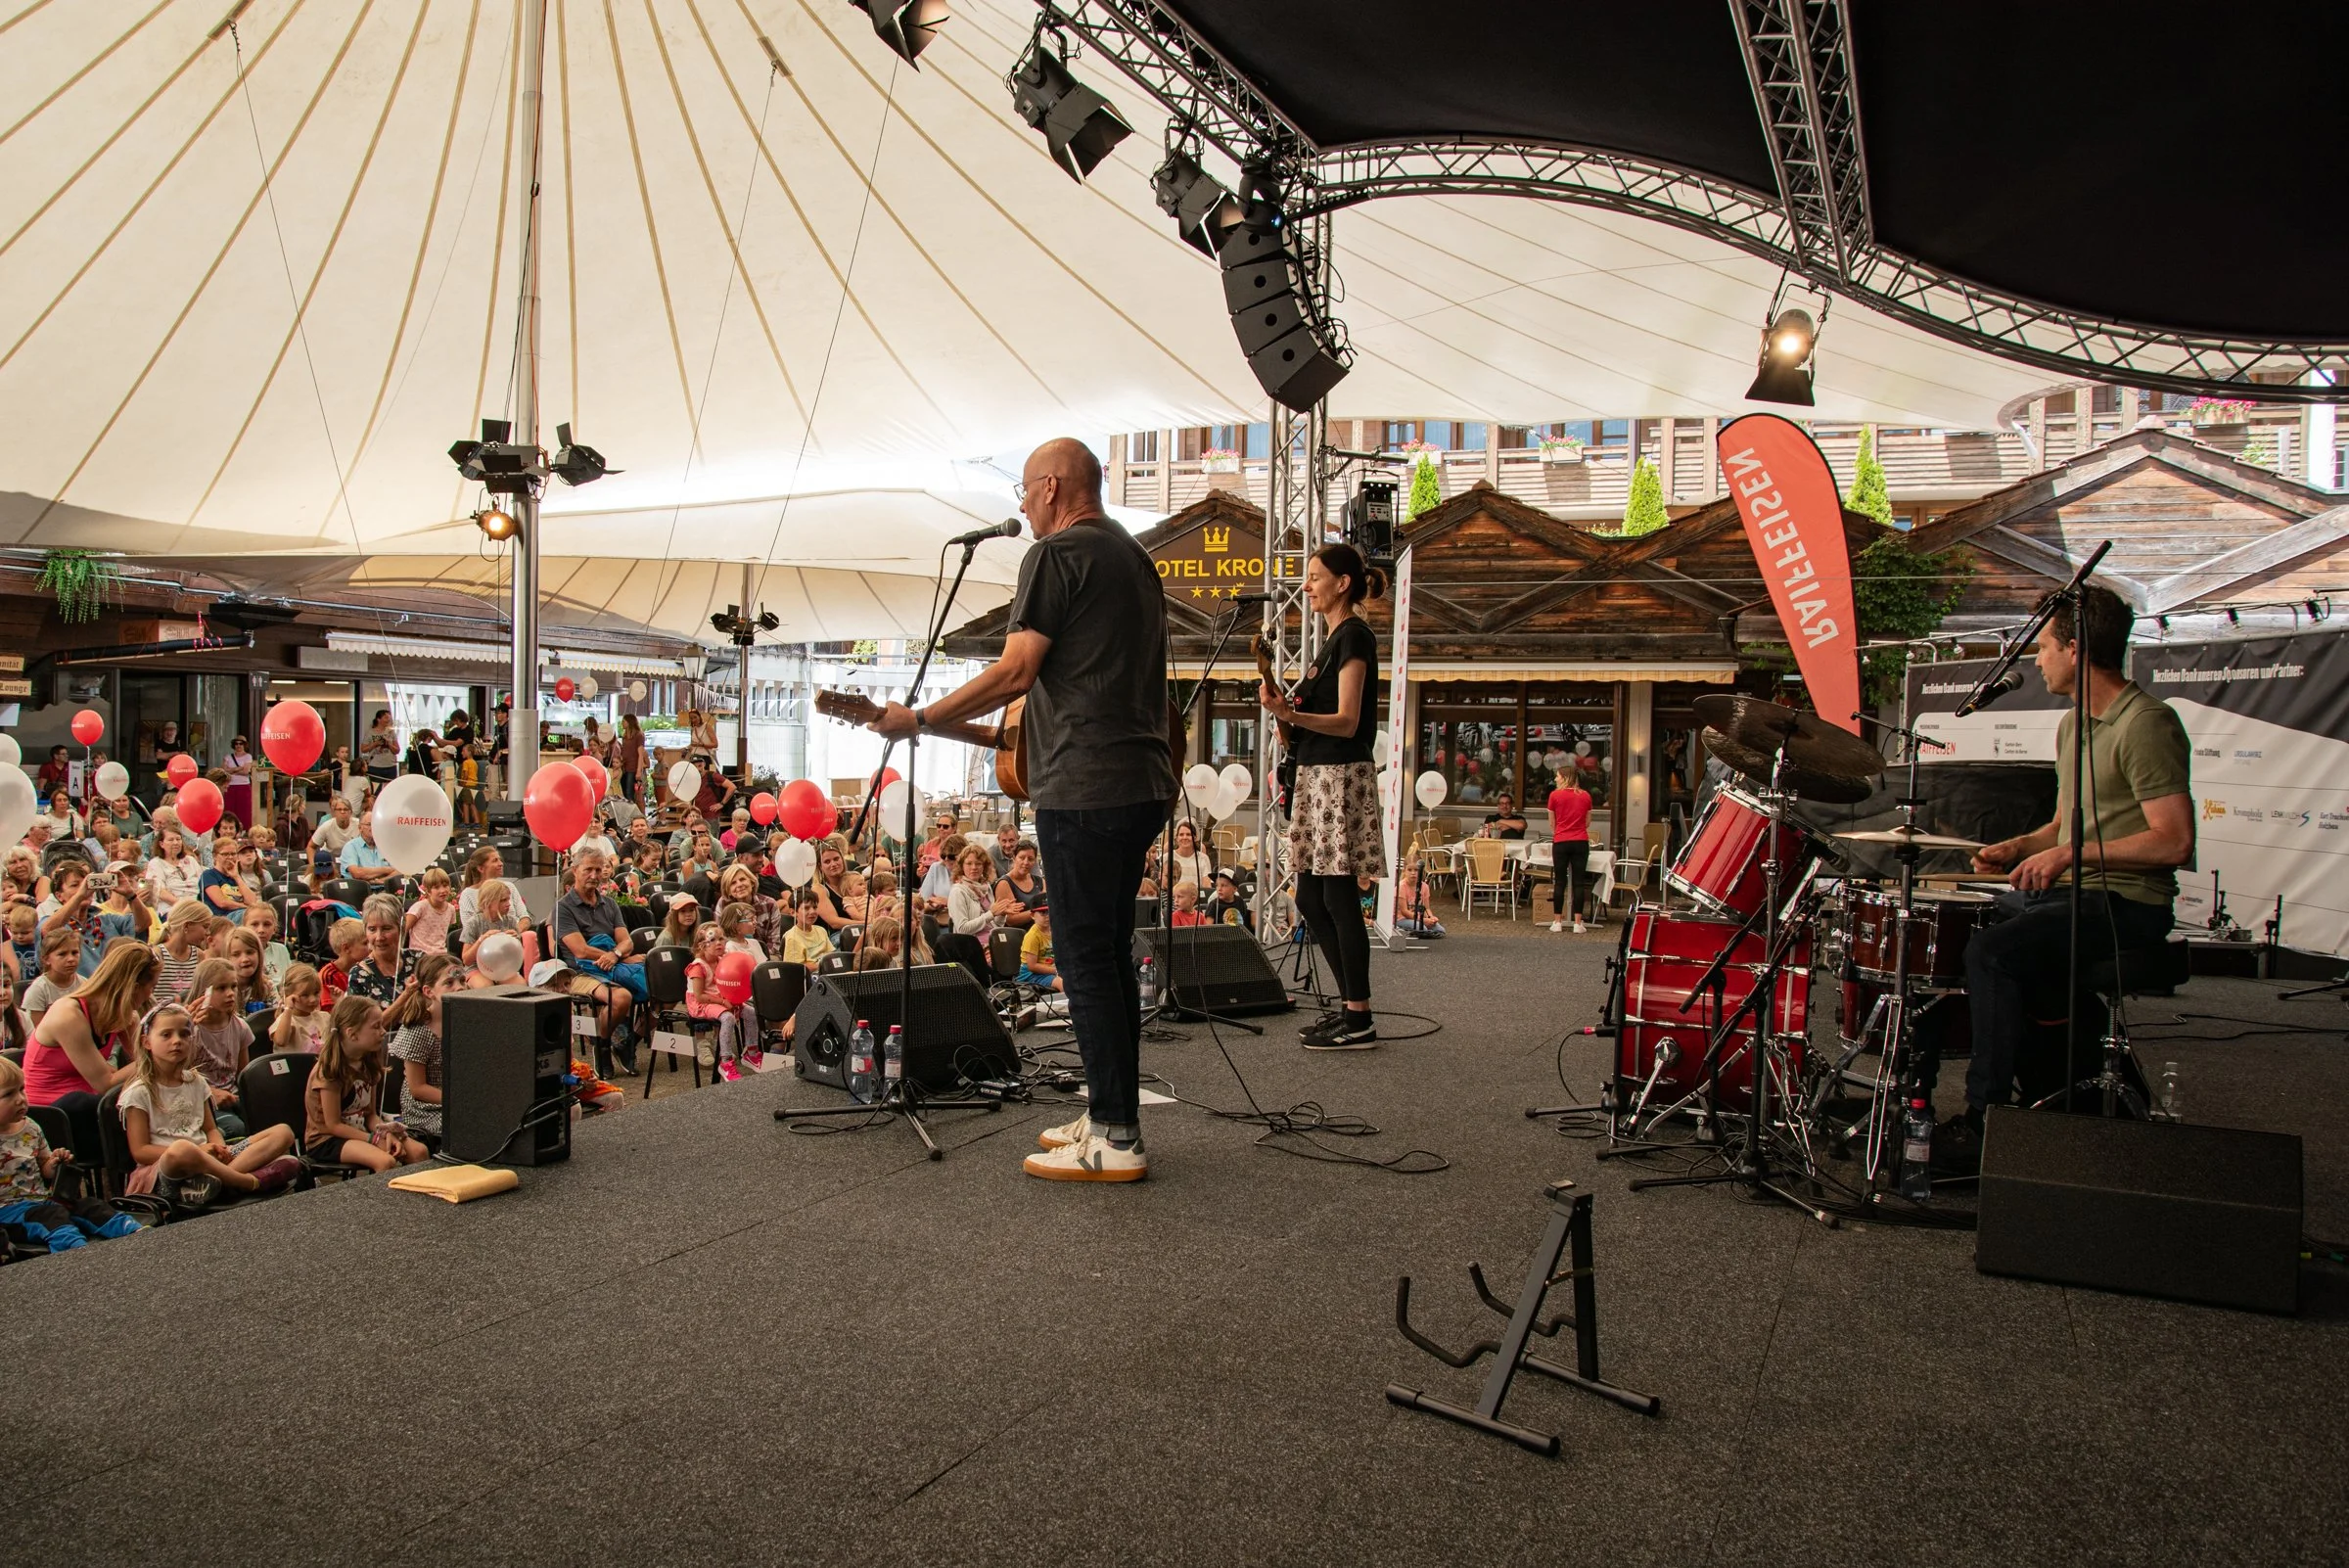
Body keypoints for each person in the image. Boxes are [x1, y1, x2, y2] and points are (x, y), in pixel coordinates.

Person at [871, 438, 1174, 1182]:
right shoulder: (1132, 559)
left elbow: (1015, 668)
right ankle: (1109, 1110)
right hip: (1139, 779)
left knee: (1086, 961)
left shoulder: (1057, 554)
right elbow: (1074, 685)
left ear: (1049, 486)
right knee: (1103, 953)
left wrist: (918, 719)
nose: (1018, 503)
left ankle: (1115, 1136)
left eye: (1021, 489)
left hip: (1086, 787)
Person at [1934, 585, 2194, 1174]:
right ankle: (2028, 1082)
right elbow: (2059, 825)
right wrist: (2020, 848)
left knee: (1992, 953)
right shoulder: (2074, 726)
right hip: (2080, 891)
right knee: (1962, 925)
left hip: (2129, 902)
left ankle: (1986, 1119)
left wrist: (2070, 855)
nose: (2036, 659)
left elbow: (2173, 840)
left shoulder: (2146, 724)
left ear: (2076, 649)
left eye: (2045, 646)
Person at [1259, 540, 1388, 1050]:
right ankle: (1351, 1008)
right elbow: (1310, 726)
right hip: (1316, 775)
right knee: (1311, 896)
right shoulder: (1332, 640)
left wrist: (1291, 715)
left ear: (1343, 583)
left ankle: (1359, 1016)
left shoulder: (1354, 636)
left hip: (1338, 778)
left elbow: (1349, 721)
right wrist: (1283, 717)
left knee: (1336, 897)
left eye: (1315, 577)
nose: (1307, 586)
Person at [116, 1001, 298, 1205]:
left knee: (283, 1132)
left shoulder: (196, 1081)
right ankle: (245, 1181)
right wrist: (199, 1152)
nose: (177, 1041)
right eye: (166, 1035)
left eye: (184, 1034)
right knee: (181, 1149)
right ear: (146, 1042)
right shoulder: (138, 1092)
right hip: (168, 1168)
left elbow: (210, 1128)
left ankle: (217, 1182)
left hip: (208, 1157)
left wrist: (218, 1147)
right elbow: (140, 1151)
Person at [0, 1054, 144, 1253]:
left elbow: (44, 1169)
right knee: (52, 1218)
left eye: (21, 1090)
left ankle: (135, 1231)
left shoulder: (30, 1127)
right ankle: (75, 1256)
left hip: (42, 1200)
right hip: (7, 1214)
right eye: (8, 1095)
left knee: (89, 1206)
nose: (20, 1099)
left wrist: (55, 1162)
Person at [555, 851, 643, 1073]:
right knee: (621, 998)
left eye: (598, 869)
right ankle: (602, 1044)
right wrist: (615, 954)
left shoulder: (610, 905)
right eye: (588, 870)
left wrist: (615, 954)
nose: (595, 875)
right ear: (575, 871)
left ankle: (627, 1040)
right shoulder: (563, 908)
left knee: (665, 987)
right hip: (579, 973)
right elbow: (580, 950)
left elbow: (627, 942)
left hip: (614, 965)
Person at [385, 953, 463, 1152]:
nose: (460, 987)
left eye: (462, 980)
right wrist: (457, 1099)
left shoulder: (464, 1023)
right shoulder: (418, 1030)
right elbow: (417, 1088)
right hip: (425, 1109)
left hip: (457, 1099)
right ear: (429, 991)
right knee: (467, 1125)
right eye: (449, 983)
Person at [182, 957, 253, 1136]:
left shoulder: (240, 1027)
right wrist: (210, 1092)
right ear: (203, 991)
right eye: (221, 988)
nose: (230, 993)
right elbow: (178, 1075)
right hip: (199, 1100)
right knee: (235, 1128)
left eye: (233, 986)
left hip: (232, 1098)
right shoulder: (190, 1030)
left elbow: (243, 1074)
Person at [684, 922, 760, 1081]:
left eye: (721, 939)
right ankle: (725, 1061)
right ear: (701, 945)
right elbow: (699, 996)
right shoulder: (698, 967)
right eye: (712, 940)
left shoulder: (723, 961)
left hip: (722, 1000)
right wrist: (723, 1002)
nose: (718, 943)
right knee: (728, 1018)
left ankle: (751, 1052)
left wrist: (732, 999)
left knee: (752, 1013)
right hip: (702, 1004)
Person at [1547, 767, 1593, 935]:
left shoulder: (1554, 796)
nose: (1556, 778)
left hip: (1561, 840)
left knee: (1560, 881)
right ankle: (1578, 922)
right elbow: (1588, 822)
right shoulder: (1585, 796)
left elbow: (1552, 823)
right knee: (1579, 882)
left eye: (1558, 776)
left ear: (1565, 778)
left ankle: (1557, 921)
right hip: (1580, 840)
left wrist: (1561, 829)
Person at [345, 895, 415, 1006]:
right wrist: (406, 995)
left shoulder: (418, 960)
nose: (379, 937)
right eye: (372, 929)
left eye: (386, 928)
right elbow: (360, 1023)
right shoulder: (359, 975)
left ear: (401, 928)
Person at [21, 928, 83, 1027]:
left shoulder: (84, 984)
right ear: (46, 959)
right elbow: (36, 1031)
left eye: (75, 953)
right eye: (62, 954)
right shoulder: (39, 989)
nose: (71, 959)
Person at [144, 824, 204, 915]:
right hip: (173, 910)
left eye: (178, 839)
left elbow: (203, 884)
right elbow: (160, 892)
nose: (176, 843)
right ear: (161, 844)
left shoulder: (191, 860)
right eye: (171, 840)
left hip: (199, 906)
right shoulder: (156, 863)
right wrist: (185, 907)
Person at [270, 963, 328, 1053]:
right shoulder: (287, 1020)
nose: (313, 999)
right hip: (294, 1066)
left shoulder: (324, 1017)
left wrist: (339, 1001)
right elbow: (280, 1041)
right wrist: (288, 1008)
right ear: (289, 996)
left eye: (316, 993)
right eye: (305, 995)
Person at [337, 809, 399, 889]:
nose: (373, 827)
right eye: (369, 824)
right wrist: (387, 870)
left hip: (384, 889)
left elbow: (399, 870)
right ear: (360, 828)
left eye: (376, 824)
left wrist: (382, 880)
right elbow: (357, 873)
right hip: (358, 891)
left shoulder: (385, 846)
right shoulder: (351, 847)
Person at [991, 840, 1045, 931]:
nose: (1026, 862)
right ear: (1014, 858)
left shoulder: (1040, 881)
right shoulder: (1004, 883)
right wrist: (1037, 910)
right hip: (1016, 936)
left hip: (1040, 933)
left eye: (1030, 859)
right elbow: (1010, 920)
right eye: (1022, 858)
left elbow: (1048, 907)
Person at [405, 867, 457, 959]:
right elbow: (403, 929)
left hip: (440, 954)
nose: (442, 891)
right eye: (436, 887)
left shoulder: (451, 909)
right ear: (428, 891)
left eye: (445, 886)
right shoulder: (420, 907)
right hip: (419, 954)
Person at [779, 890, 835, 972]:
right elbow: (795, 968)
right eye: (806, 908)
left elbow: (831, 955)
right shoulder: (791, 937)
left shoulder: (821, 930)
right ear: (793, 912)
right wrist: (822, 964)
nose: (812, 911)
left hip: (828, 972)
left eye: (815, 907)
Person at [309, 793, 358, 878]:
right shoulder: (326, 826)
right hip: (331, 862)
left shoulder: (359, 825)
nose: (342, 812)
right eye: (339, 809)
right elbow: (311, 847)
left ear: (350, 812)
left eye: (345, 809)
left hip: (352, 862)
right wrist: (313, 866)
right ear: (334, 812)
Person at [1017, 905, 1063, 993]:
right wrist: (1057, 970)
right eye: (1042, 913)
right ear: (1032, 915)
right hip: (1031, 975)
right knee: (1062, 983)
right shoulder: (1032, 936)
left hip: (1049, 970)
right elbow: (1032, 966)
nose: (1047, 916)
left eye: (1049, 912)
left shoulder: (1054, 931)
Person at [1165, 818, 1214, 892]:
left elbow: (1207, 886)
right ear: (1177, 838)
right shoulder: (1167, 857)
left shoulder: (1203, 858)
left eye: (1188, 834)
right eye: (1181, 835)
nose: (1185, 837)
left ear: (1195, 838)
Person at [223, 734, 256, 829]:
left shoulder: (248, 756)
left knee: (244, 811)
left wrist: (232, 770)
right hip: (230, 786)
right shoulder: (228, 756)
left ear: (245, 745)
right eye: (236, 743)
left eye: (241, 743)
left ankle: (244, 830)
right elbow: (224, 771)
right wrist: (240, 768)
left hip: (243, 786)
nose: (238, 745)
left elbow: (246, 771)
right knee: (229, 810)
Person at [361, 710, 399, 787]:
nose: (388, 720)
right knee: (376, 789)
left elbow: (397, 750)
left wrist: (389, 744)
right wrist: (375, 744)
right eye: (385, 718)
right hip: (375, 766)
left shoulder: (391, 733)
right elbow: (363, 749)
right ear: (378, 719)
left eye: (389, 718)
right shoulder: (370, 732)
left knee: (390, 788)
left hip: (390, 766)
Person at [617, 714, 647, 805]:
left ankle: (632, 815)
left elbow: (640, 754)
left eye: (624, 721)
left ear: (629, 722)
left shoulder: (639, 735)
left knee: (630, 793)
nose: (622, 723)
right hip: (624, 767)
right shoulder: (625, 736)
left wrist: (638, 770)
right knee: (624, 792)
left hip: (633, 768)